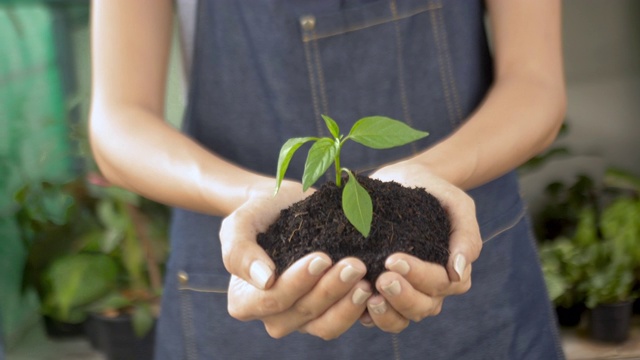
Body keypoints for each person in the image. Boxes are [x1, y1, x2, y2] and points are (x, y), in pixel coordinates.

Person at [90, 0, 566, 359]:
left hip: (463, 274)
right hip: (245, 282)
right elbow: (118, 120)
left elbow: (535, 83)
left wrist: (423, 182)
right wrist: (257, 196)